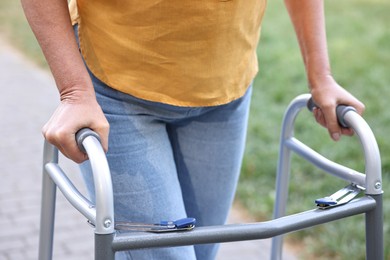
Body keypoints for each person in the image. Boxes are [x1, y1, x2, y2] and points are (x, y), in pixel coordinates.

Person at [22, 0, 365, 259]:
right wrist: (75, 92)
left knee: (202, 252)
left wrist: (322, 76)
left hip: (224, 88)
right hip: (114, 89)